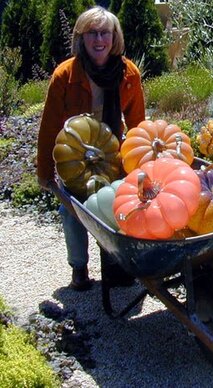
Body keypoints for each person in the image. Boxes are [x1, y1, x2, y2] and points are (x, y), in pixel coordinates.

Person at [37, 6, 146, 291]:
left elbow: (138, 128)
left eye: (105, 33)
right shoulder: (65, 76)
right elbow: (49, 128)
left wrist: (142, 166)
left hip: (112, 156)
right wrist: (45, 173)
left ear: (115, 37)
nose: (99, 40)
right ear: (81, 38)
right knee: (72, 210)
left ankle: (118, 265)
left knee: (119, 208)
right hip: (76, 158)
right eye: (92, 33)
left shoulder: (128, 74)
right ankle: (79, 267)